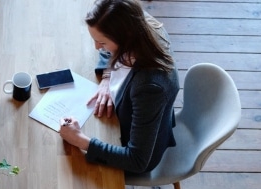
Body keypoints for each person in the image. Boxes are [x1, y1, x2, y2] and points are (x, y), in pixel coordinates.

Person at [58, 0, 179, 174]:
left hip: (134, 151)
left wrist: (80, 140)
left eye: (102, 43)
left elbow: (137, 160)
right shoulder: (137, 22)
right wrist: (108, 76)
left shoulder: (150, 87)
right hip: (127, 118)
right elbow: (111, 52)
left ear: (125, 38)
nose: (97, 47)